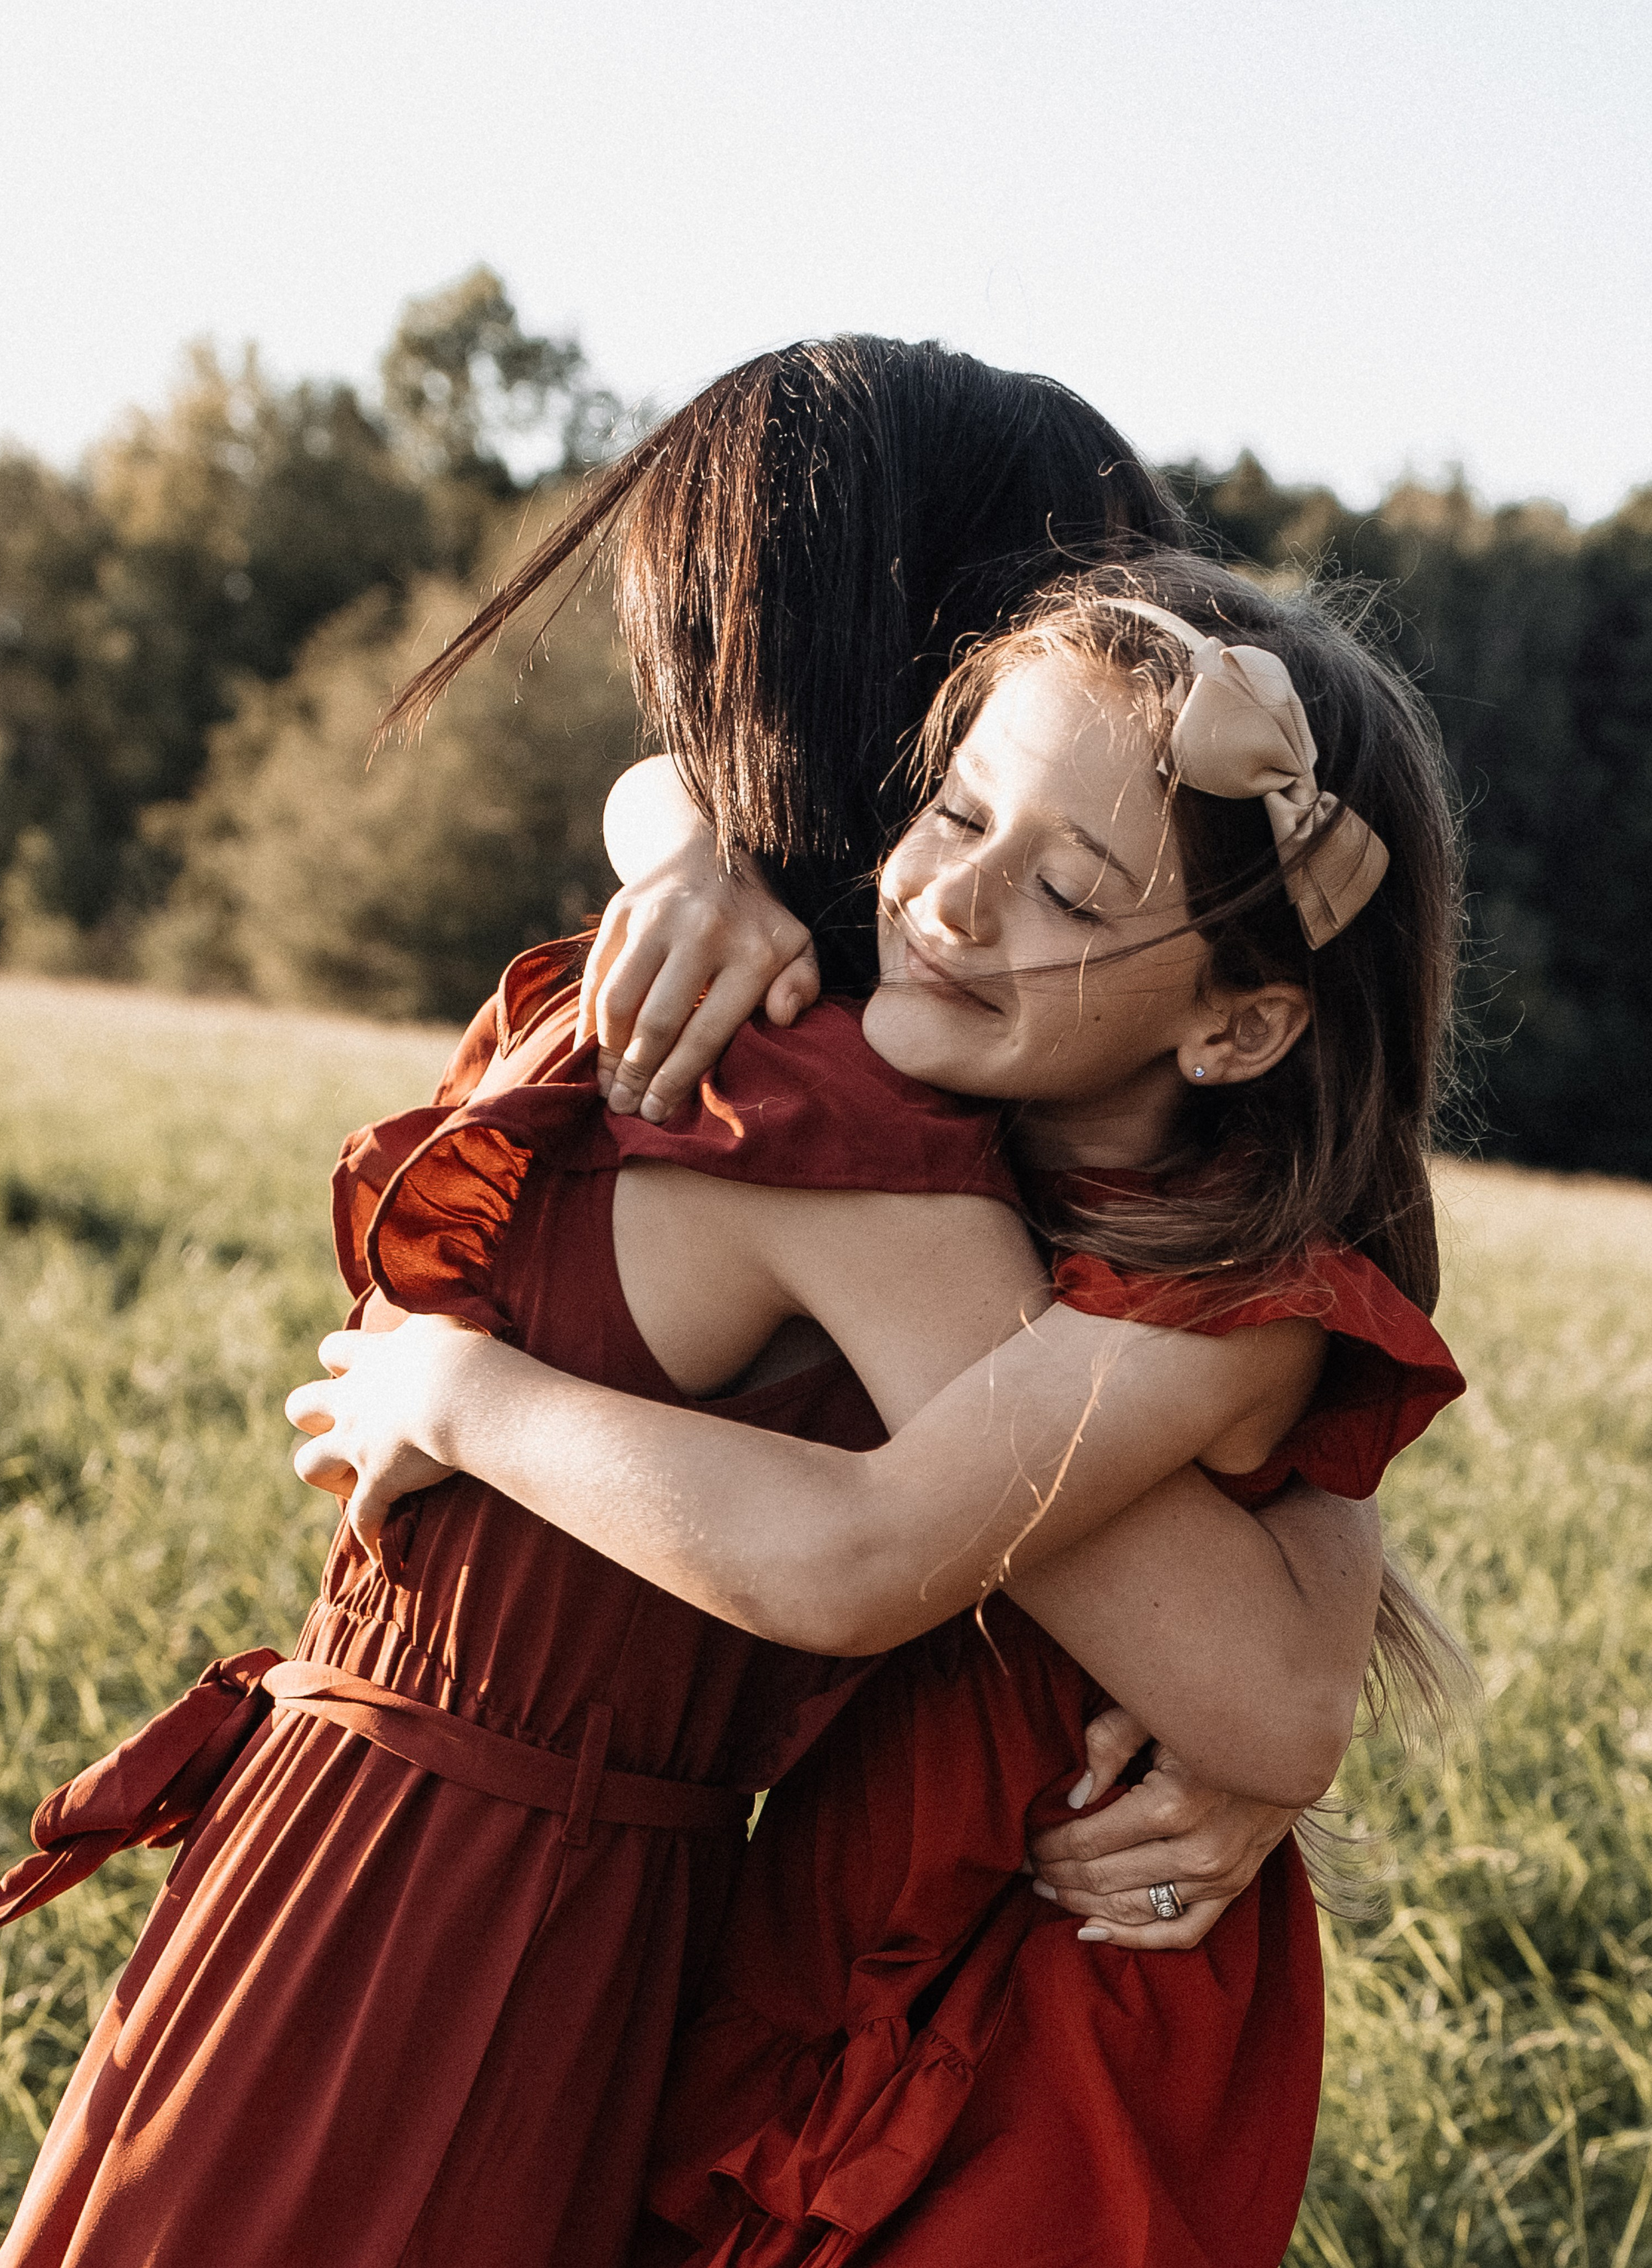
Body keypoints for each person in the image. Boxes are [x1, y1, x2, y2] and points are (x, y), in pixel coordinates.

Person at [0, 344, 1383, 2268]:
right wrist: (1240, 1752)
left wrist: (679, 839)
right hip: (477, 1948)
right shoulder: (841, 1138)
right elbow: (1273, 1688)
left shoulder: (652, 988)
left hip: (333, 1860)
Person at [290, 550, 1468, 2267]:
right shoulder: (988, 1118)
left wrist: (467, 1394)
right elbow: (688, 791)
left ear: (1241, 1031)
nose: (951, 899)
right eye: (953, 809)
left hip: (1053, 1995)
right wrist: (688, 848)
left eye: (1067, 893)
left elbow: (863, 1560)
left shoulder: (1217, 1308)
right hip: (848, 1921)